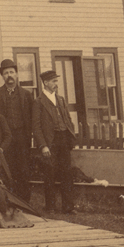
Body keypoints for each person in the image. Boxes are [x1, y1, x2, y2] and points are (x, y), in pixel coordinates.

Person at [32, 68, 77, 214]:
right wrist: (43, 145)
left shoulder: (61, 99)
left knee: (66, 173)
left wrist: (70, 136)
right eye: (53, 81)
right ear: (45, 83)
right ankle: (50, 206)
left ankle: (68, 207)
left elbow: (68, 119)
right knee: (50, 173)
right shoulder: (38, 102)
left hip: (63, 139)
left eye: (56, 81)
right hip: (50, 142)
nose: (56, 84)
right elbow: (36, 126)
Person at [0, 59, 35, 201]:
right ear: (2, 76)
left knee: (23, 168)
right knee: (8, 168)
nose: (9, 75)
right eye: (6, 73)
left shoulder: (26, 94)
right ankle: (10, 200)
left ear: (16, 74)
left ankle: (25, 201)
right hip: (5, 138)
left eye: (11, 72)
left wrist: (30, 136)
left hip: (22, 136)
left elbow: (32, 117)